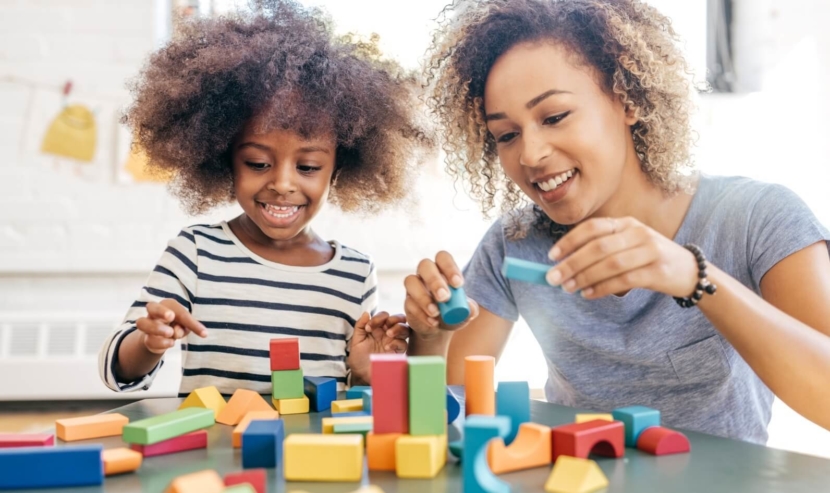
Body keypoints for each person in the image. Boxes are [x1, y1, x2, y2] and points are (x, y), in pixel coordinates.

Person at [406, 0, 830, 443]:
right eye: (507, 135)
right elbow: (443, 420)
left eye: (554, 117)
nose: (529, 155)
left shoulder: (757, 218)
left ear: (627, 100)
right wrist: (430, 339)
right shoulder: (514, 244)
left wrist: (694, 277)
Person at [98, 0, 429, 395]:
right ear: (225, 160)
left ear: (339, 169)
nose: (283, 184)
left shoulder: (355, 275)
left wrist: (362, 374)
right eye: (257, 163)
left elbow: (348, 397)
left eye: (307, 167)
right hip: (218, 454)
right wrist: (149, 342)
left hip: (310, 455)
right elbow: (117, 370)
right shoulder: (197, 253)